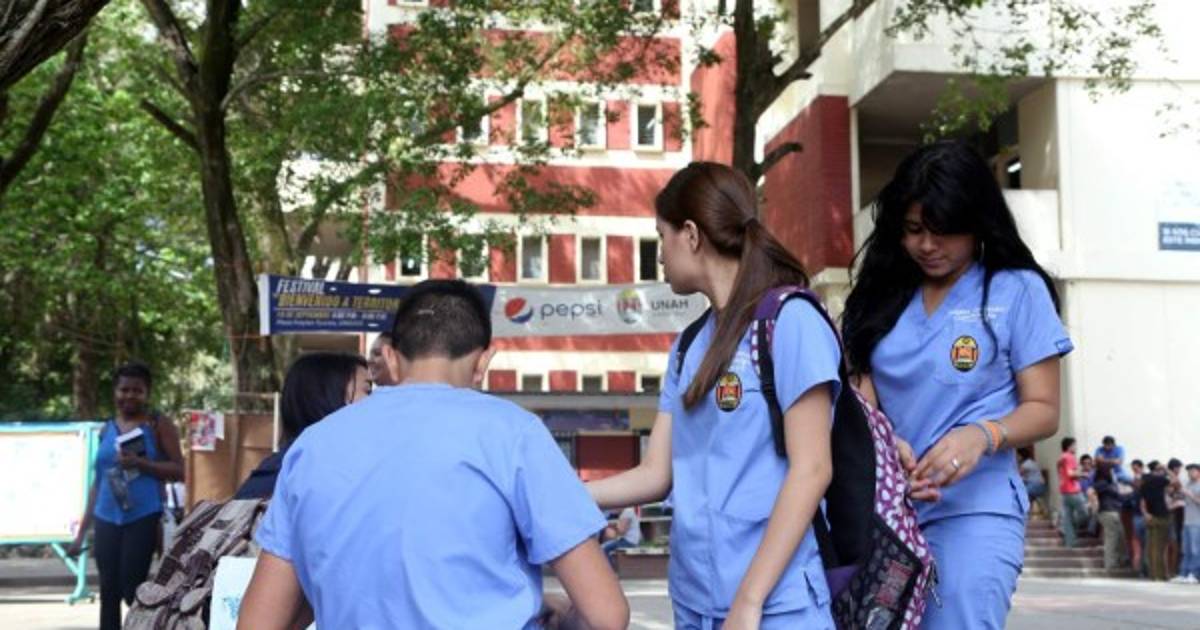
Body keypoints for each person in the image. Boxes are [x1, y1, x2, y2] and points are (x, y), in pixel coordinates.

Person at [238, 280, 627, 629]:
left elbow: (258, 623)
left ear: (390, 358)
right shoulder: (514, 433)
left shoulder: (312, 446)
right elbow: (607, 616)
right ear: (483, 363)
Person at [587, 162, 839, 629]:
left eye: (660, 237)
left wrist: (750, 599)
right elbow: (656, 474)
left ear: (690, 234)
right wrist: (564, 494)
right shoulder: (687, 346)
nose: (660, 256)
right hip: (695, 602)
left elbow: (813, 469)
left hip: (774, 606)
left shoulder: (790, 321)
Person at [840, 141, 1073, 629]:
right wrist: (884, 446)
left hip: (975, 512)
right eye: (913, 230)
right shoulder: (880, 295)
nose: (927, 245)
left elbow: (1044, 408)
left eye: (944, 231)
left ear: (978, 223)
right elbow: (861, 403)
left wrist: (983, 435)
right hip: (888, 514)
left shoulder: (1016, 290)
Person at [65, 362, 185, 630]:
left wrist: (142, 464)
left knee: (132, 589)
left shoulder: (157, 424)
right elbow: (97, 483)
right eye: (124, 390)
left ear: (147, 393)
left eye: (137, 390)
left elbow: (181, 470)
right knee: (108, 592)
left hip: (143, 516)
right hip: (106, 517)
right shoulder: (106, 429)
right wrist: (81, 534)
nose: (130, 395)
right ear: (115, 392)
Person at [233, 353, 370, 500]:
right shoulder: (283, 476)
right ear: (328, 395)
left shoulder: (351, 467)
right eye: (367, 391)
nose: (376, 400)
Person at [1092, 465, 1129, 569]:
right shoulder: (1103, 483)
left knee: (1120, 537)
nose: (1113, 474)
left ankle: (1121, 560)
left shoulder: (1107, 484)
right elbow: (1092, 491)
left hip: (1111, 512)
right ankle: (1110, 564)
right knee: (1112, 539)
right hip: (1108, 512)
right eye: (1111, 472)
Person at [1142, 460, 1173, 581]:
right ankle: (1160, 575)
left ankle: (1153, 574)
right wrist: (1167, 470)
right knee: (1160, 548)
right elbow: (1175, 481)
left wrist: (1145, 513)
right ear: (1158, 470)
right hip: (1162, 516)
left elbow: (1142, 500)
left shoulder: (1144, 482)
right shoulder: (1160, 480)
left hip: (1151, 516)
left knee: (1152, 547)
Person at [1171, 464, 1200, 584]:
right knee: (1185, 549)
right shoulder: (1188, 484)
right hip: (1187, 522)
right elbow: (1182, 496)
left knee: (1195, 550)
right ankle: (1184, 573)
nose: (1190, 473)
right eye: (1188, 471)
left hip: (1197, 523)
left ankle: (1194, 574)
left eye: (1192, 471)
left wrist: (1188, 493)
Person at [1057, 438, 1089, 547]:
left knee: (1068, 517)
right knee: (1084, 514)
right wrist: (1083, 474)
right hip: (1073, 490)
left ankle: (1070, 542)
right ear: (1069, 446)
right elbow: (1070, 474)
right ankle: (1064, 528)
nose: (1076, 447)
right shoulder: (1069, 457)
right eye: (1074, 445)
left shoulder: (1061, 457)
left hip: (1064, 491)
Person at [1018, 447, 1047, 515]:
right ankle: (1029, 512)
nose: (1016, 458)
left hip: (1036, 486)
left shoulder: (1026, 464)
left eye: (1017, 455)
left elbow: (1017, 475)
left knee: (1021, 493)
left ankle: (1024, 513)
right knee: (1023, 491)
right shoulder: (1031, 462)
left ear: (1021, 456)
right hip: (1040, 486)